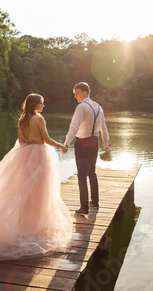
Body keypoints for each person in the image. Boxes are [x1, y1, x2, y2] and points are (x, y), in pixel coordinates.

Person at [0, 94, 73, 261]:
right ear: (35, 104)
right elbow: (46, 139)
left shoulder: (22, 120)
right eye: (42, 103)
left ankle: (25, 225)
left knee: (23, 191)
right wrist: (61, 145)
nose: (43, 106)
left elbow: (21, 140)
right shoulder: (38, 119)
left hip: (25, 156)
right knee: (39, 192)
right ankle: (35, 227)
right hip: (39, 156)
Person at [63, 82, 111, 215]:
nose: (75, 96)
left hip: (83, 144)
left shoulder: (82, 106)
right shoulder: (99, 107)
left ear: (85, 93)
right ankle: (95, 202)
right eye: (74, 94)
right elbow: (104, 129)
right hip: (94, 143)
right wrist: (107, 145)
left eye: (77, 93)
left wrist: (66, 143)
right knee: (92, 172)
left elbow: (74, 126)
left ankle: (84, 208)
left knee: (82, 175)